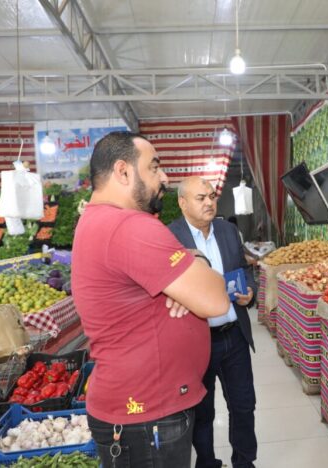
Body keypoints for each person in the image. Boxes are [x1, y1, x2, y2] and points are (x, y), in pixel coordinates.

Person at [71, 132, 230, 468]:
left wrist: (189, 275)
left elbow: (196, 294)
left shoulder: (100, 220)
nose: (164, 178)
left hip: (142, 410)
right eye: (155, 167)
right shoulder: (129, 226)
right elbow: (216, 299)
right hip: (145, 416)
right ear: (123, 171)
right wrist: (197, 265)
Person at [168, 177, 258, 468]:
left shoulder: (228, 230)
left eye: (212, 196)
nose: (209, 202)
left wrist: (250, 291)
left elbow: (244, 268)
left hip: (234, 335)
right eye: (200, 198)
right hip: (196, 342)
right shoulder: (169, 237)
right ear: (182, 203)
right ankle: (207, 463)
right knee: (202, 411)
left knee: (243, 405)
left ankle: (244, 462)